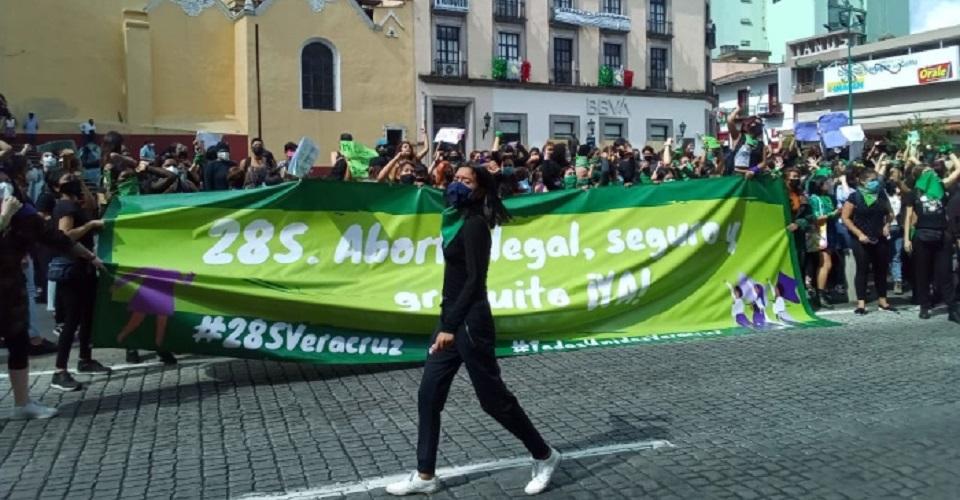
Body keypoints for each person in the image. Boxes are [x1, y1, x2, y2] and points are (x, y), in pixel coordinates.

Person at [386, 165, 560, 497]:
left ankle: (545, 455)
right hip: (450, 318)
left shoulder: (475, 226)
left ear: (479, 190)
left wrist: (450, 326)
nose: (458, 185)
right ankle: (425, 476)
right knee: (428, 395)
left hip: (470, 322)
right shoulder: (453, 221)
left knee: (493, 400)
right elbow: (453, 279)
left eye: (466, 181)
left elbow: (473, 281)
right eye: (456, 179)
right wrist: (445, 320)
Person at [1, 153, 104, 418]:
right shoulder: (11, 208)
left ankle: (22, 403)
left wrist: (90, 257)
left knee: (18, 340)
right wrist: (4, 217)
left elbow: (56, 237)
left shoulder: (22, 209)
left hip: (10, 285)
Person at [50, 173, 111, 391]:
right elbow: (65, 236)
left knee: (87, 317)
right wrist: (90, 225)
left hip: (82, 268)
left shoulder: (73, 204)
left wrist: (82, 182)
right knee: (72, 321)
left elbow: (93, 203)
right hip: (72, 269)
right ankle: (59, 371)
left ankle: (85, 359)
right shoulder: (65, 208)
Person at [904, 165, 960, 321]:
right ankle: (924, 306)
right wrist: (907, 238)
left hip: (942, 235)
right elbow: (908, 217)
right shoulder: (913, 193)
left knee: (945, 273)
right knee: (922, 273)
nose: (932, 174)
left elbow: (956, 172)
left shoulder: (940, 187)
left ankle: (952, 309)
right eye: (928, 172)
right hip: (922, 235)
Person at [841, 169, 895, 315]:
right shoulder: (855, 197)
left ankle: (883, 301)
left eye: (876, 180)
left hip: (879, 236)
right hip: (861, 238)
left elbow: (890, 213)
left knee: (881, 269)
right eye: (872, 180)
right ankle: (861, 304)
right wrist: (858, 234)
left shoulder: (881, 195)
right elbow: (845, 218)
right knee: (862, 269)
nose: (875, 183)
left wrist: (887, 224)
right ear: (863, 182)